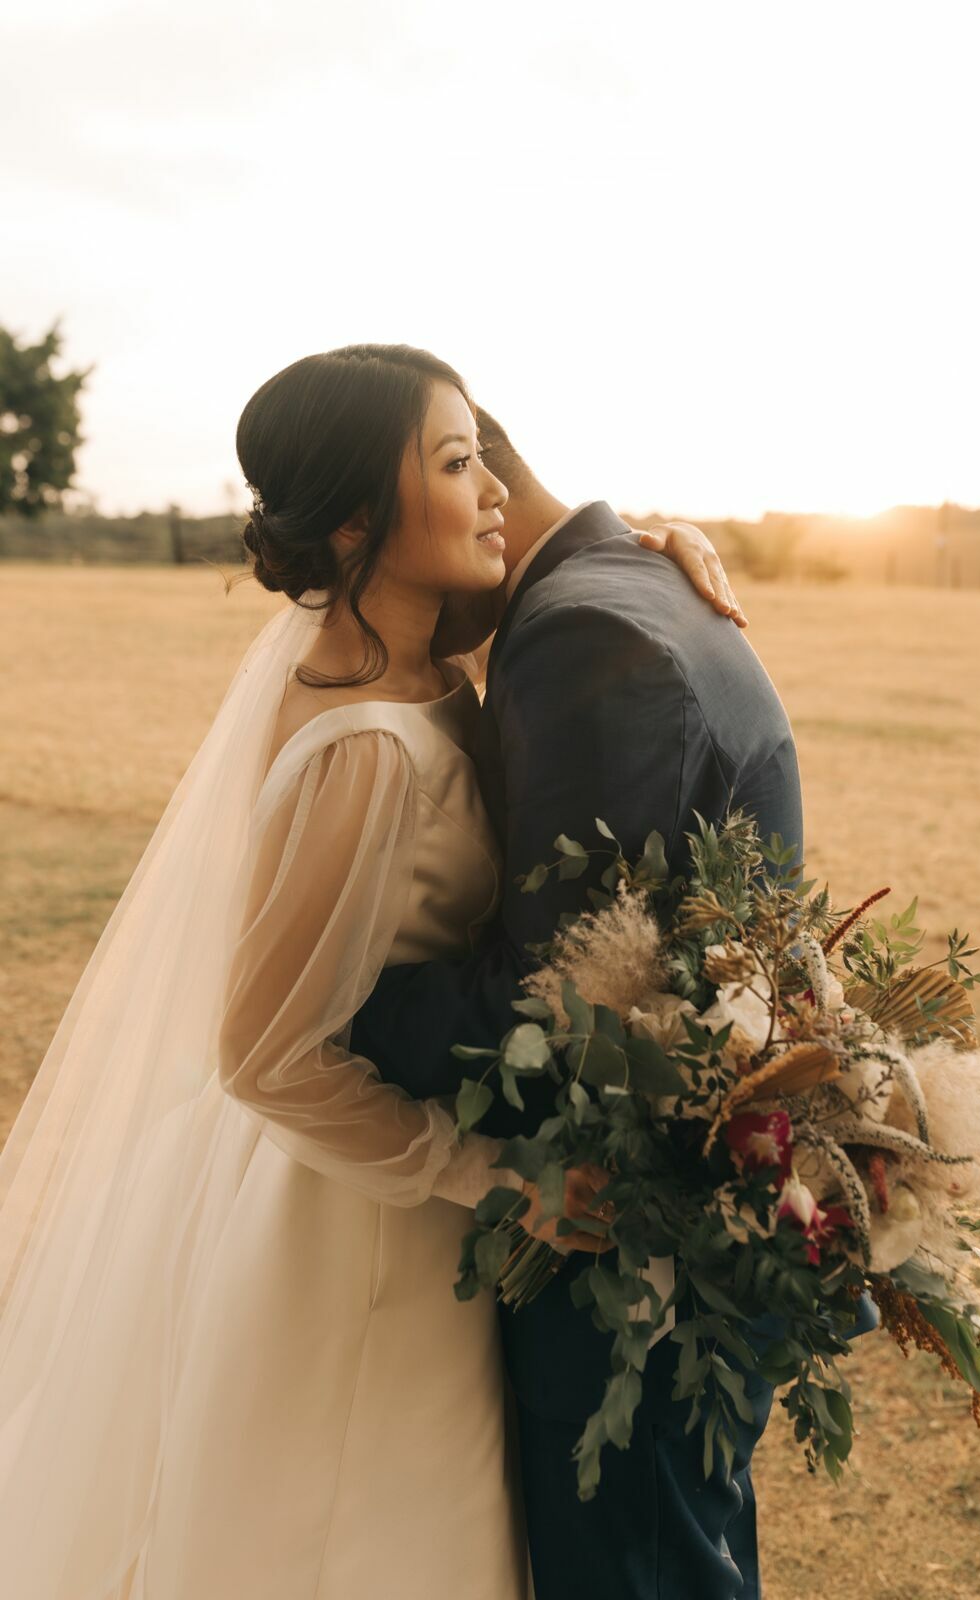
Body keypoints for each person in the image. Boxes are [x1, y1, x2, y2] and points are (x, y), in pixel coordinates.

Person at [0, 342, 737, 1599]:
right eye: (456, 463)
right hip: (359, 1228)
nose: (495, 484)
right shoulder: (364, 747)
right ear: (354, 518)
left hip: (385, 1202)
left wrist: (642, 550)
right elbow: (266, 1054)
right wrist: (498, 1180)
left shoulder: (418, 659)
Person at [347, 406, 857, 1600]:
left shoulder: (581, 633)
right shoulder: (624, 576)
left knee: (634, 1571)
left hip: (632, 1229)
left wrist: (341, 1009)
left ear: (479, 490)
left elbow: (566, 1001)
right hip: (693, 1192)